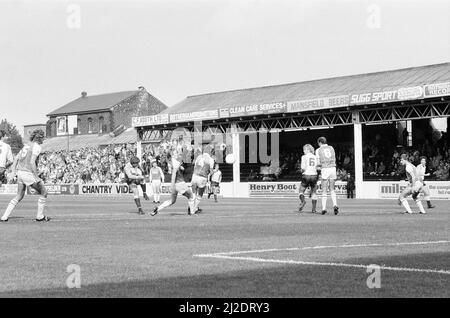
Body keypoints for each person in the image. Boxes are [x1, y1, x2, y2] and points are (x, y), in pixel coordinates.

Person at [1, 130, 50, 222]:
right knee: (44, 192)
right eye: (43, 137)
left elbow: (16, 159)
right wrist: (36, 177)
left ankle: (4, 217)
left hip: (20, 173)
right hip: (27, 173)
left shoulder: (26, 146)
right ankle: (40, 216)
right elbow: (32, 162)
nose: (44, 139)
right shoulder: (37, 147)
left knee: (19, 196)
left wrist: (13, 172)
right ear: (39, 138)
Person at [151, 148, 196, 216]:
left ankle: (157, 208)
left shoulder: (172, 161)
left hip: (176, 184)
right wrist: (171, 185)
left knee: (172, 201)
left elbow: (178, 169)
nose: (177, 154)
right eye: (175, 153)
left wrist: (181, 168)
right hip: (179, 183)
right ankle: (192, 212)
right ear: (172, 155)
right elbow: (174, 173)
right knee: (191, 196)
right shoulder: (175, 162)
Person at [316, 137, 339, 215]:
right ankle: (335, 205)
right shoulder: (331, 148)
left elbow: (318, 162)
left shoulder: (318, 150)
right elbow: (334, 158)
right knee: (332, 189)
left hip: (325, 169)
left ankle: (323, 208)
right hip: (333, 168)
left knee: (324, 190)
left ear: (320, 142)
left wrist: (318, 166)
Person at [190, 145, 214, 214]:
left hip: (194, 175)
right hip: (202, 177)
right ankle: (194, 209)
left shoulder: (198, 157)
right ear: (210, 152)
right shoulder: (211, 160)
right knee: (200, 194)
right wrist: (213, 171)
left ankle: (192, 208)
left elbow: (194, 167)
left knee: (193, 193)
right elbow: (211, 172)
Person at [298, 144, 319, 213]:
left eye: (304, 149)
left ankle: (303, 201)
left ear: (308, 149)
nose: (303, 151)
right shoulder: (315, 157)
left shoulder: (304, 157)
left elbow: (303, 168)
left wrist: (301, 171)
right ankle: (314, 209)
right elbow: (318, 167)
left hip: (306, 175)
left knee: (301, 191)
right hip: (314, 175)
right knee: (314, 193)